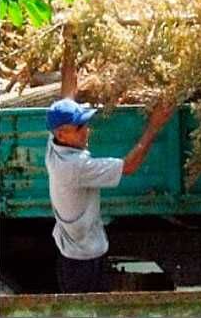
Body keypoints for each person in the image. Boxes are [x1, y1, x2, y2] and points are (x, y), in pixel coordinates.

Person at [46, 28, 173, 293]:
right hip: (83, 259)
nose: (87, 130)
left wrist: (70, 44)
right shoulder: (75, 168)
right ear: (63, 133)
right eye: (80, 127)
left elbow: (67, 95)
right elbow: (128, 167)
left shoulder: (54, 144)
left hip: (74, 252)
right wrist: (154, 126)